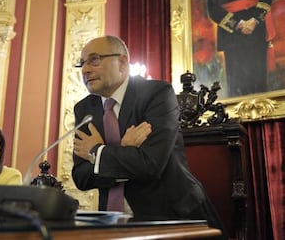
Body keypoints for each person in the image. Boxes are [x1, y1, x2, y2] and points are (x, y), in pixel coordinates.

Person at [71, 35, 227, 239]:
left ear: (122, 61)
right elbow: (81, 176)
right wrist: (125, 149)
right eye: (81, 63)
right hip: (112, 223)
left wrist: (97, 152)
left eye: (94, 60)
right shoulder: (85, 108)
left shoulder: (156, 93)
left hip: (175, 216)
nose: (85, 70)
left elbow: (151, 164)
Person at [206, 0, 272, 97]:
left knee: (259, 83)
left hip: (256, 32)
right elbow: (214, 10)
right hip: (232, 38)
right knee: (237, 86)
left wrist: (255, 20)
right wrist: (238, 24)